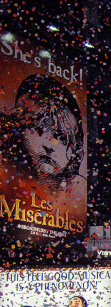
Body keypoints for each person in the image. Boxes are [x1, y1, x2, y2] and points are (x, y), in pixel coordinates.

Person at [0, 73, 87, 244]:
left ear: (75, 146)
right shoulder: (8, 180)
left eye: (60, 136)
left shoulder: (78, 193)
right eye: (36, 128)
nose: (49, 144)